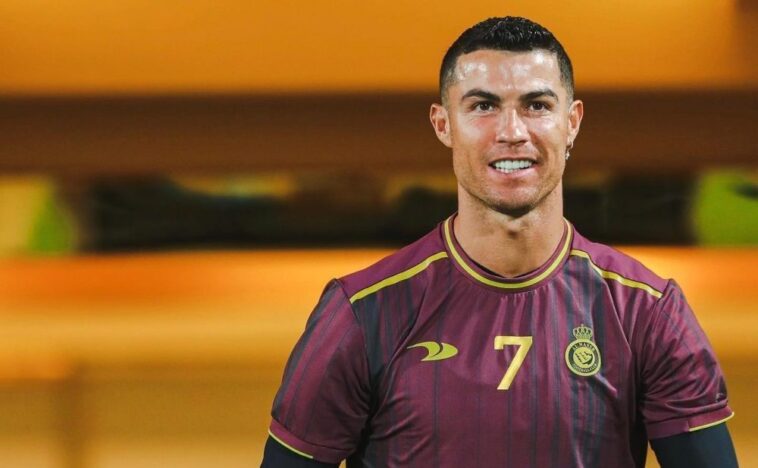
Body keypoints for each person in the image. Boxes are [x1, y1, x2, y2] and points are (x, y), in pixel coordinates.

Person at [261, 16, 738, 467]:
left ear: (572, 121)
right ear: (443, 124)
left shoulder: (648, 311)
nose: (512, 132)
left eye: (537, 105)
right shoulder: (360, 313)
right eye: (483, 106)